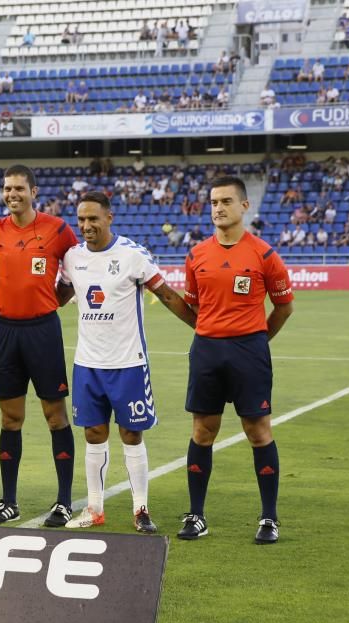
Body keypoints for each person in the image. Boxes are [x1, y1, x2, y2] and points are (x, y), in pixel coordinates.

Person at [55, 191, 197, 533]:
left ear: (109, 218)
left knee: (131, 433)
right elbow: (57, 298)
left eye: (93, 219)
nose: (87, 226)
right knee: (93, 433)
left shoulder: (134, 256)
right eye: (82, 220)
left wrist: (200, 327)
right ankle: (94, 508)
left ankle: (141, 509)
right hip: (88, 364)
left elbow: (165, 294)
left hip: (128, 363)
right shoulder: (72, 258)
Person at [178, 176, 294, 545]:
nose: (218, 208)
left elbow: (284, 307)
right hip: (207, 352)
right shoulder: (196, 255)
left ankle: (269, 518)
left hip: (249, 352)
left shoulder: (264, 255)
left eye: (226, 201)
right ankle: (196, 514)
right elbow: (195, 306)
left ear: (245, 206)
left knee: (258, 432)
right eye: (213, 202)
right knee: (202, 432)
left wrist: (257, 340)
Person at [0, 165, 79, 527]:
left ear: (34, 191)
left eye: (19, 188)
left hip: (43, 332)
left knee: (55, 417)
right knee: (10, 418)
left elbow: (78, 269)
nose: (12, 194)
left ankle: (64, 501)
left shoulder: (58, 230)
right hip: (5, 331)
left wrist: (56, 300)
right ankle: (9, 501)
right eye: (7, 188)